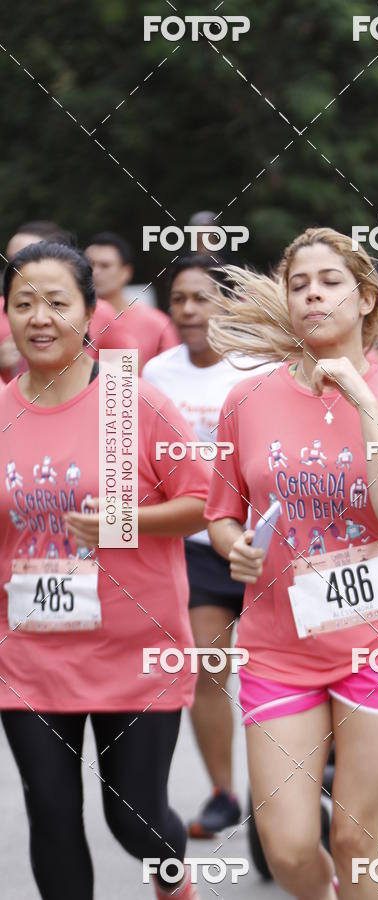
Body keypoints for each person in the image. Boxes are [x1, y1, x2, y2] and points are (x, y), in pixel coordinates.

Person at [205, 227, 378, 899]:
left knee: (355, 840)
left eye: (330, 282)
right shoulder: (246, 401)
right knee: (286, 847)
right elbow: (222, 512)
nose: (313, 294)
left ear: (367, 299)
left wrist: (363, 401)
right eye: (299, 283)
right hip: (278, 644)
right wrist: (234, 548)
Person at [0, 241, 210, 899]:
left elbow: (203, 503)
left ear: (91, 311)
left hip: (137, 651)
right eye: (23, 303)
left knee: (135, 821)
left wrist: (129, 521)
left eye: (57, 302)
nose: (40, 318)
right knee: (53, 818)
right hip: (30, 655)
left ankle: (174, 883)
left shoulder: (133, 401)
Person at [142, 255, 276, 838]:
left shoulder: (262, 369)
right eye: (179, 300)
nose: (190, 310)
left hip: (268, 542)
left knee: (277, 671)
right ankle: (225, 792)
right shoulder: (154, 376)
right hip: (200, 545)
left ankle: (294, 786)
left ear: (227, 306)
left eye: (202, 298)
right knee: (207, 664)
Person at [85, 231, 179, 367]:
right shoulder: (70, 320)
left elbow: (172, 374)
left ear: (126, 272)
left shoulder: (157, 323)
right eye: (89, 265)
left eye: (105, 265)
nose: (95, 272)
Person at [1, 221, 73, 382]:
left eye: (23, 259)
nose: (14, 268)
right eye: (10, 260)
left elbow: (124, 381)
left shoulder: (94, 310)